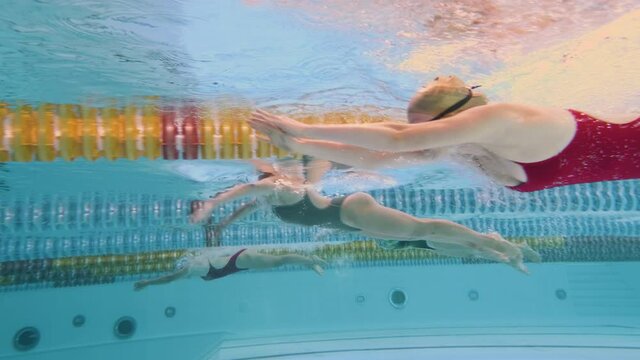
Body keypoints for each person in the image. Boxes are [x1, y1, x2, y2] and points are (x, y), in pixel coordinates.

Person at [248, 76, 640, 192]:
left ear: (453, 118)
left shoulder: (505, 119)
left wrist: (303, 130)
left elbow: (398, 138)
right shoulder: (468, 146)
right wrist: (303, 145)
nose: (427, 138)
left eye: (429, 129)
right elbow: (382, 156)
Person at [189, 160, 540, 273]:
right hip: (351, 219)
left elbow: (244, 193)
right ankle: (492, 248)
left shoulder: (279, 188)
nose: (254, 182)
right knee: (422, 238)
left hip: (351, 211)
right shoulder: (272, 197)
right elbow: (246, 204)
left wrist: (210, 205)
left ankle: (498, 244)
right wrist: (219, 225)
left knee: (423, 229)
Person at [133, 246, 326, 291]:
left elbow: (169, 278)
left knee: (278, 261)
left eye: (180, 266)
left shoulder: (192, 267)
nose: (181, 269)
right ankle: (309, 261)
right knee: (278, 261)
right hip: (240, 262)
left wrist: (147, 283)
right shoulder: (199, 260)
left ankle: (310, 260)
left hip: (241, 260)